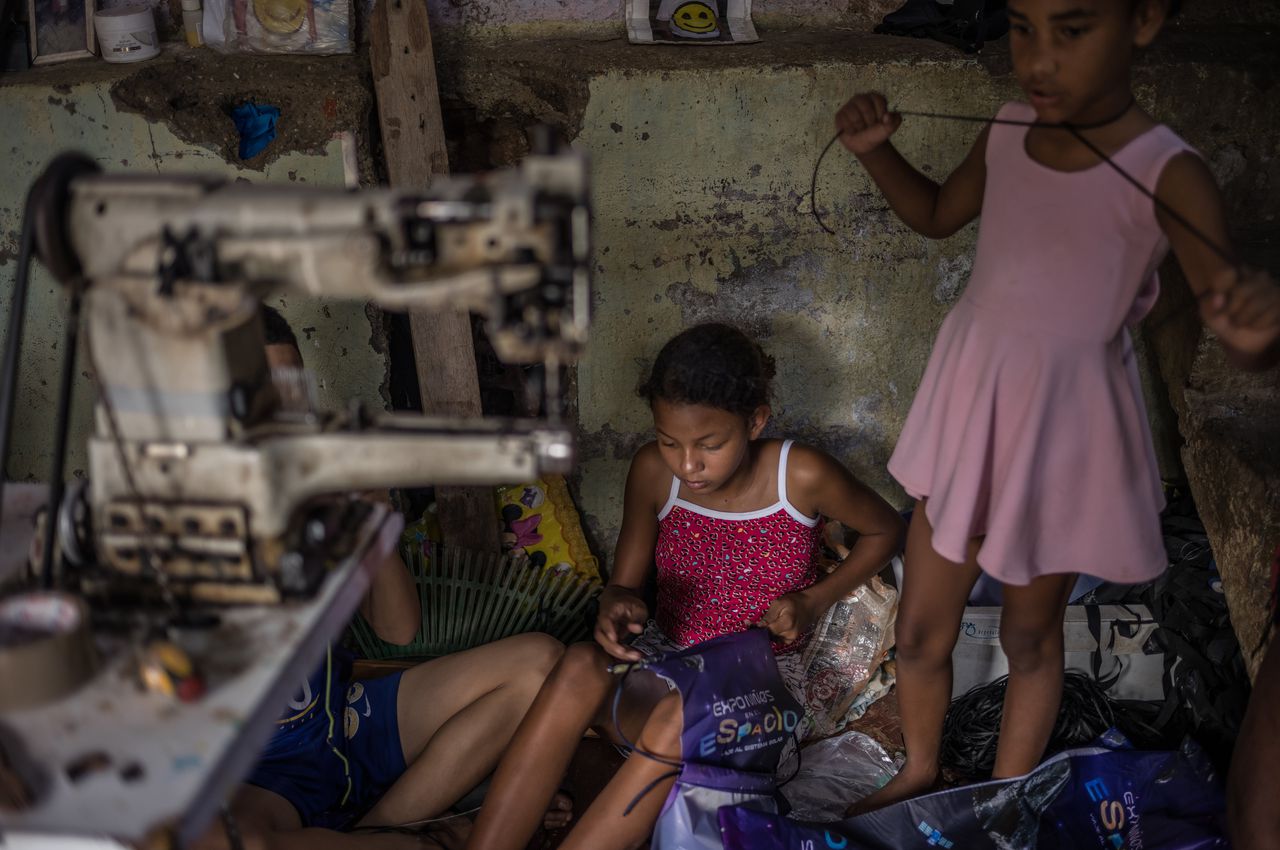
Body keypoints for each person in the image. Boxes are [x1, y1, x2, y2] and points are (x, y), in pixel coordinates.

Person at [832, 0, 1280, 813]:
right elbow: (936, 217)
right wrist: (875, 152)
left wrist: (1255, 327)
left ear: (1141, 22)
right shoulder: (1006, 129)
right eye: (1022, 27)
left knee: (1029, 636)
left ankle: (1005, 798)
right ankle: (923, 769)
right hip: (976, 404)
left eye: (1071, 30)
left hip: (1062, 423)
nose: (1039, 58)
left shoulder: (1167, 169)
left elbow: (1231, 317)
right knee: (922, 632)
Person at [464, 322, 907, 850]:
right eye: (669, 441)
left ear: (755, 422)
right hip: (664, 663)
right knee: (581, 663)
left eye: (710, 444)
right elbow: (623, 587)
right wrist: (618, 608)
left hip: (758, 688)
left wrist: (813, 600)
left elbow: (886, 530)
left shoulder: (799, 475)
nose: (688, 464)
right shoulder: (654, 472)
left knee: (680, 717)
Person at [196, 307, 571, 850]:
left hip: (345, 724)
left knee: (540, 663)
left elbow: (397, 630)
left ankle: (379, 828)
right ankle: (433, 840)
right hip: (263, 774)